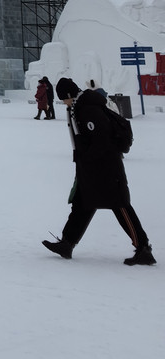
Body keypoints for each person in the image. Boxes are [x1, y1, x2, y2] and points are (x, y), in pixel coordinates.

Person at [43, 77, 154, 266]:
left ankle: (143, 248)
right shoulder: (80, 106)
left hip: (106, 167)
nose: (64, 103)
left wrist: (87, 157)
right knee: (82, 202)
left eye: (64, 99)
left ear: (69, 95)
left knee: (120, 205)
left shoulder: (87, 108)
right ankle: (67, 243)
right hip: (91, 167)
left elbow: (101, 138)